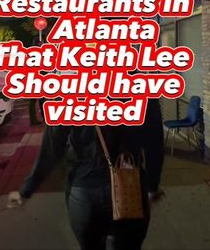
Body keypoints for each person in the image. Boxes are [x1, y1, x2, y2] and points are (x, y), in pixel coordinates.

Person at [20, 99, 164, 250]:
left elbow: (52, 148)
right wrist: (152, 186)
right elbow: (155, 144)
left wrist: (28, 187)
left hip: (84, 193)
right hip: (130, 189)